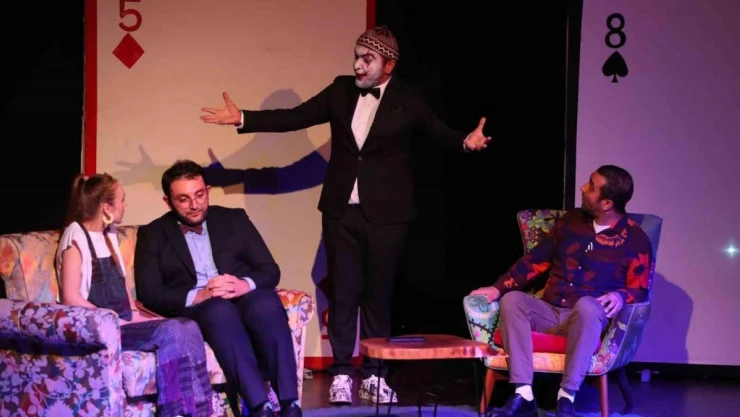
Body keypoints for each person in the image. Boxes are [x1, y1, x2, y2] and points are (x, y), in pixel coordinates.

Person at [200, 25, 491, 404]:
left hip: (388, 215)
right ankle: (341, 372)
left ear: (389, 65)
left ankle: (374, 374)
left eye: (368, 59)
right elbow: (295, 116)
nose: (358, 65)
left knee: (378, 296)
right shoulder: (340, 90)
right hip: (341, 213)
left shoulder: (408, 96)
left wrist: (465, 142)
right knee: (343, 292)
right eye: (356, 56)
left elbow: (437, 130)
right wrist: (243, 117)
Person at [469, 165, 653, 417]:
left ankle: (566, 398)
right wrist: (497, 288)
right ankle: (524, 395)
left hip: (585, 320)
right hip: (549, 311)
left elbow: (641, 290)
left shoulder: (636, 240)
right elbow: (536, 261)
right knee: (512, 300)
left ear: (607, 203)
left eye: (591, 186)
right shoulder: (571, 221)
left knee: (588, 305)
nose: (583, 188)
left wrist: (622, 295)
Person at [133, 160, 300, 417]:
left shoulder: (234, 219)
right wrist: (198, 295)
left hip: (241, 295)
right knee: (219, 311)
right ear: (168, 201)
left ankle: (290, 404)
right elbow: (149, 291)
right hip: (202, 307)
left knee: (266, 304)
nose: (195, 204)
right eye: (184, 199)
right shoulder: (153, 234)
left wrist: (243, 285)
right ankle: (259, 406)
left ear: (208, 190)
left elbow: (270, 270)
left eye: (200, 195)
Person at [56, 173, 213, 417]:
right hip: (100, 327)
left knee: (186, 325)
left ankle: (200, 411)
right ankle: (174, 411)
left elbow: (123, 292)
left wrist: (142, 316)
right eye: (122, 199)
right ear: (107, 207)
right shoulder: (76, 236)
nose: (125, 205)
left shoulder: (108, 234)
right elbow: (70, 297)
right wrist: (111, 319)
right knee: (173, 331)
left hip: (122, 323)